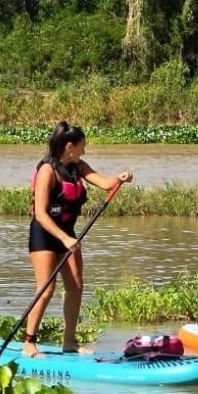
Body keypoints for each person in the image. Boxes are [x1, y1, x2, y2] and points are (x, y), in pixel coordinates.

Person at [23, 121, 133, 357]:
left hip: (68, 234)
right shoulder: (47, 171)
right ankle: (29, 343)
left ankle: (69, 342)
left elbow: (104, 183)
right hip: (45, 235)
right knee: (46, 289)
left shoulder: (78, 167)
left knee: (76, 287)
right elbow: (40, 214)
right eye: (82, 146)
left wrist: (120, 178)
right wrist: (64, 238)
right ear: (69, 147)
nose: (85, 150)